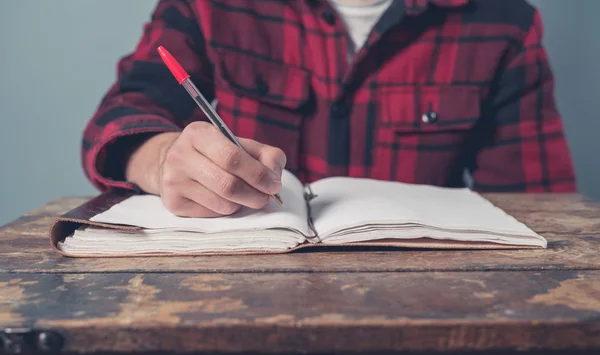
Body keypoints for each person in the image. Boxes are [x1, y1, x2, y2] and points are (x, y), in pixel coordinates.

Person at [82, 0, 576, 218]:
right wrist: (163, 155)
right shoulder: (211, 4)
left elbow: (539, 209)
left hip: (422, 310)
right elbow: (120, 116)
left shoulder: (504, 21)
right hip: (239, 300)